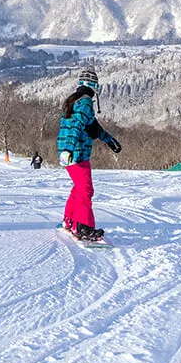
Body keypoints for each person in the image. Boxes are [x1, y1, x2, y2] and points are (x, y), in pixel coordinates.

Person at [57, 66, 122, 241]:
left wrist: (109, 140)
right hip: (76, 153)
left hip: (70, 153)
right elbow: (76, 126)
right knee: (86, 190)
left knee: (79, 189)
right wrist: (69, 149)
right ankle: (83, 227)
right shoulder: (85, 103)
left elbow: (92, 127)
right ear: (94, 86)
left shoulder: (75, 100)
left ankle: (69, 221)